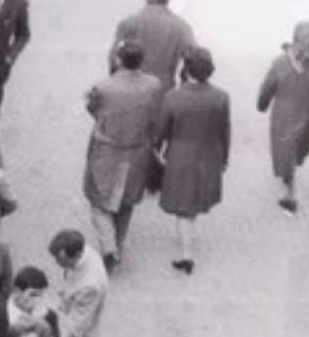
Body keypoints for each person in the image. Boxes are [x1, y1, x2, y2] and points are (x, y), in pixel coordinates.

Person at [81, 37, 164, 267]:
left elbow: (92, 109)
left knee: (99, 201)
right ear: (141, 61)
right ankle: (117, 244)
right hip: (138, 152)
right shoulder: (153, 85)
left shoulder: (103, 86)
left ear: (118, 59)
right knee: (127, 201)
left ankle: (109, 248)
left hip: (107, 151)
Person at [155, 45, 231, 274]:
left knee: (183, 208)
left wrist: (157, 151)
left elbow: (161, 132)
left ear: (187, 69)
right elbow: (225, 132)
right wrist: (224, 159)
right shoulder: (221, 97)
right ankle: (186, 243)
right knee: (193, 203)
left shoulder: (173, 97)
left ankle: (187, 255)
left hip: (181, 158)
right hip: (209, 156)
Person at [257, 21, 309, 213]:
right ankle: (290, 192)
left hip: (285, 118)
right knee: (294, 153)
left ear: (294, 39)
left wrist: (262, 105)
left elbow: (267, 89)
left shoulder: (280, 63)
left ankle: (290, 192)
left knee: (288, 152)